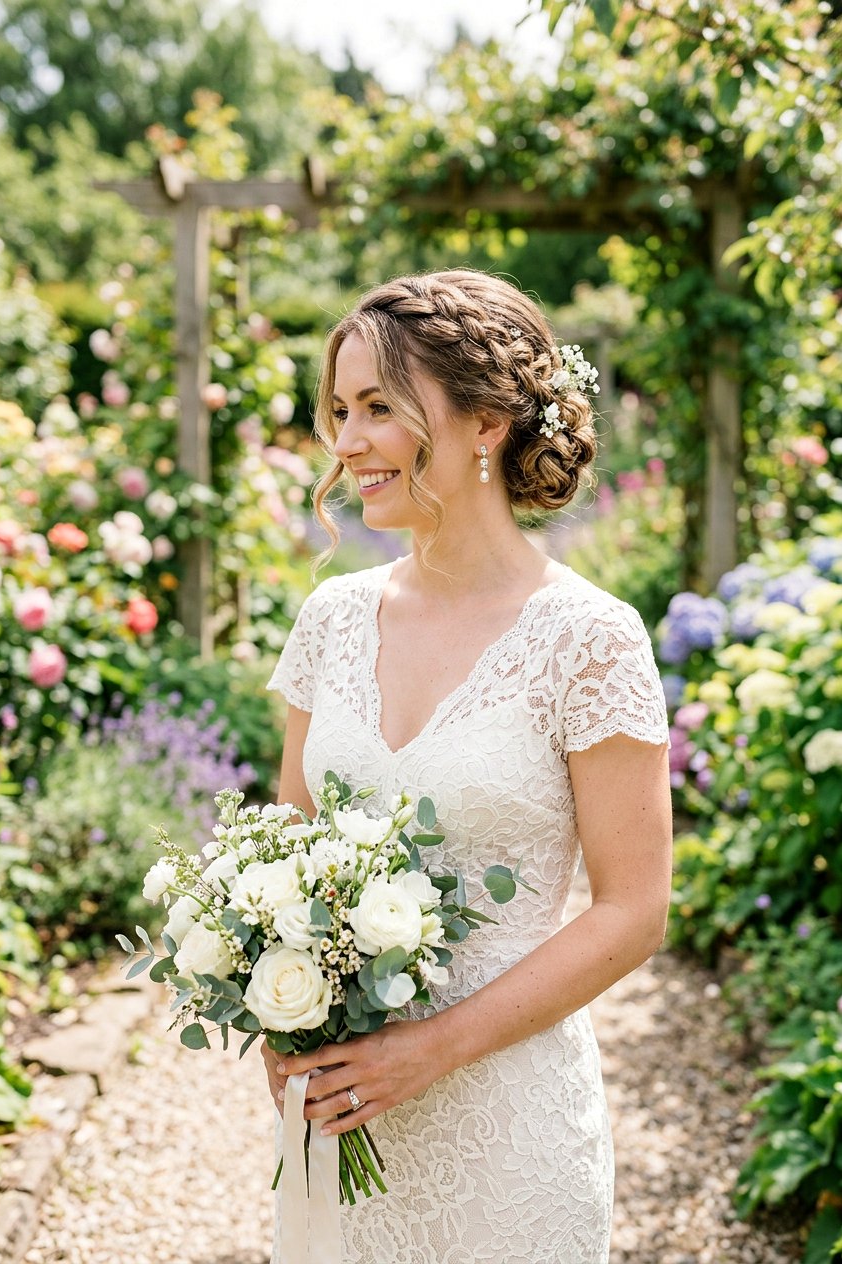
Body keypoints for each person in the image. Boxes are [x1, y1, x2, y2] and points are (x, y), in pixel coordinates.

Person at [262, 269, 672, 1263]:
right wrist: (269, 999)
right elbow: (285, 843)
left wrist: (427, 1051)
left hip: (506, 1120)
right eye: (338, 411)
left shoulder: (588, 638)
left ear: (485, 421)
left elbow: (633, 913)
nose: (345, 442)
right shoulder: (330, 619)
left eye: (377, 410)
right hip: (342, 1109)